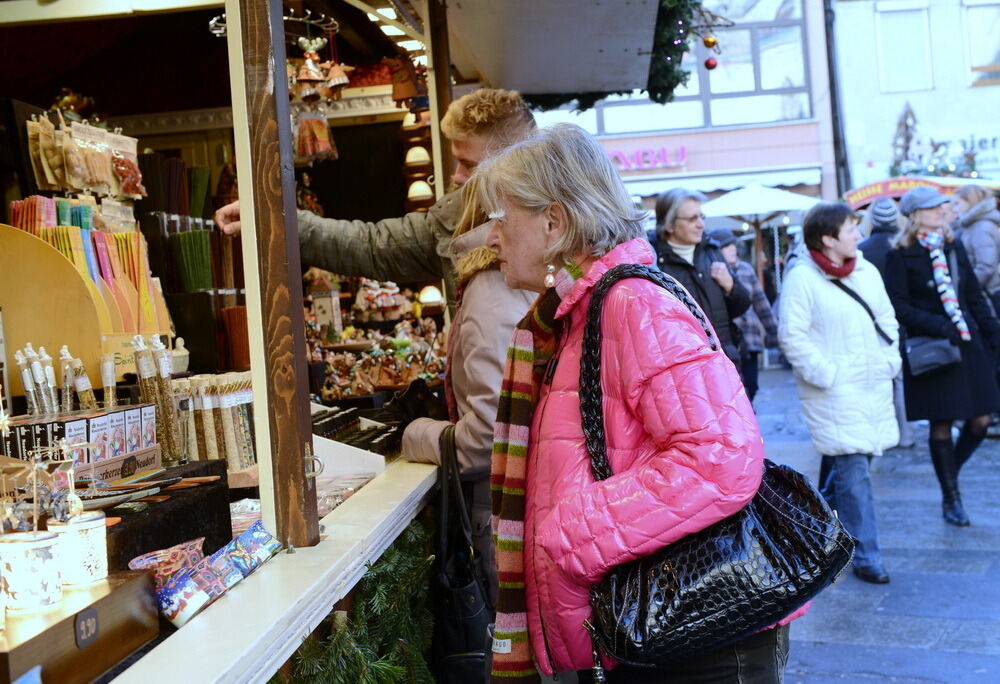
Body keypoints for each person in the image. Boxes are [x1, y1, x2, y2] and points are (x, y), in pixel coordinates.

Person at [480, 123, 797, 683]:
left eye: (501, 218)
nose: (492, 236)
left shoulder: (631, 302)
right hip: (654, 626)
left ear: (553, 222)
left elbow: (719, 454)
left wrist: (572, 534)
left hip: (698, 637)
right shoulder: (580, 314)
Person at [213, 88, 537, 310]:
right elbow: (373, 246)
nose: (455, 176)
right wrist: (277, 219)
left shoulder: (566, 239)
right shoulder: (456, 221)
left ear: (509, 164)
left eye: (468, 164)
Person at [399, 176, 535, 606]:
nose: (452, 178)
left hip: (501, 519)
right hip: (519, 513)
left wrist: (416, 433)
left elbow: (488, 439)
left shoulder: (492, 291)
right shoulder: (521, 280)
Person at [779, 202, 900, 585]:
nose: (859, 235)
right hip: (834, 392)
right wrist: (827, 374)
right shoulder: (802, 278)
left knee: (855, 471)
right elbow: (791, 336)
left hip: (872, 384)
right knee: (855, 472)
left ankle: (805, 524)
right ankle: (867, 556)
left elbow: (887, 320)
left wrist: (889, 361)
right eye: (851, 229)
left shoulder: (866, 270)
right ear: (828, 238)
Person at [885, 186, 1000, 526]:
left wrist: (994, 335)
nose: (942, 211)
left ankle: (951, 470)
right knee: (942, 424)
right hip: (934, 347)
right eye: (933, 208)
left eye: (942, 206)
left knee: (980, 421)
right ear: (915, 214)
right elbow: (899, 306)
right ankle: (951, 497)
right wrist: (938, 325)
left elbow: (973, 295)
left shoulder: (953, 243)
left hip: (968, 343)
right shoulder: (899, 253)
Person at [652, 189, 751, 364]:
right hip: (683, 366)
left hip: (724, 360)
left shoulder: (713, 252)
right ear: (669, 225)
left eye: (701, 217)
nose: (701, 224)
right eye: (692, 219)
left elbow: (741, 307)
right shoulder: (652, 262)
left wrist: (731, 287)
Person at [859, 196, 915, 449]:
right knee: (900, 378)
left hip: (870, 322)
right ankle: (905, 434)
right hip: (901, 318)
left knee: (876, 380)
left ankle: (879, 435)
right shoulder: (904, 245)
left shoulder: (862, 249)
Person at [708, 228, 778, 404]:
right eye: (726, 246)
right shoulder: (710, 272)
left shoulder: (746, 269)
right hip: (727, 342)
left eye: (733, 245)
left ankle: (750, 413)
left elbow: (760, 302)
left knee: (752, 385)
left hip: (750, 337)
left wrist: (773, 331)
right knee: (735, 389)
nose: (732, 249)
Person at [953, 184, 1000, 311]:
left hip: (989, 294)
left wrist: (967, 288)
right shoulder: (972, 225)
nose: (954, 208)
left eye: (957, 203)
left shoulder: (981, 227)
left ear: (970, 202)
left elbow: (986, 266)